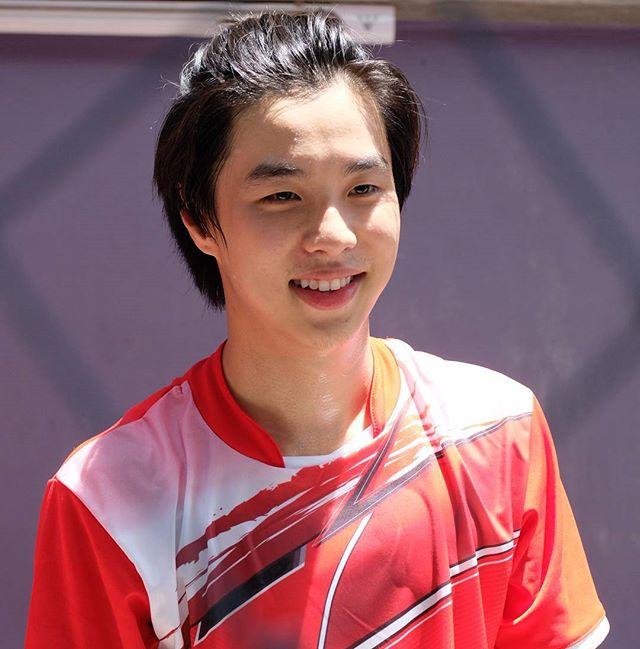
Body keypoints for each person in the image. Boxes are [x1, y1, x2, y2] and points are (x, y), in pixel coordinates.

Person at [25, 8, 610, 649]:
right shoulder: (108, 498)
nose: (332, 235)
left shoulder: (499, 431)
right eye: (281, 196)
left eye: (364, 188)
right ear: (198, 218)